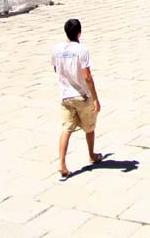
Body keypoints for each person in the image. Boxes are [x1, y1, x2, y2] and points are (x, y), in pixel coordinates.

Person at [52, 18, 102, 180]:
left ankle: (62, 164)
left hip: (65, 95)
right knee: (89, 127)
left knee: (66, 129)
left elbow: (54, 67)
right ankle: (92, 155)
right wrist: (95, 98)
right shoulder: (82, 50)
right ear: (79, 32)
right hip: (81, 95)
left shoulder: (57, 48)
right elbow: (87, 76)